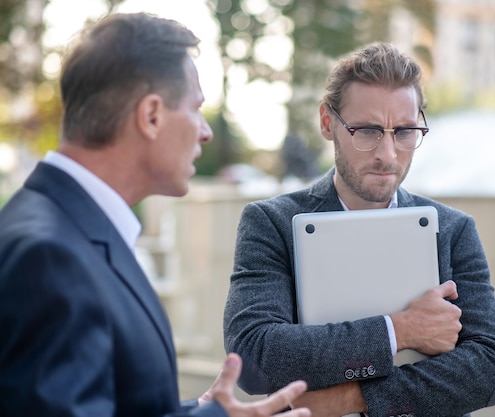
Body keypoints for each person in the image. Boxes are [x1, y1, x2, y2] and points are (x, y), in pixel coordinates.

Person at [0, 12, 311, 417]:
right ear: (151, 116)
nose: (206, 131)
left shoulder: (67, 231)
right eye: (196, 109)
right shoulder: (48, 257)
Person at [223, 43, 495, 417]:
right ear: (328, 124)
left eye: (405, 132)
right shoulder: (271, 223)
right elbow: (255, 357)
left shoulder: (453, 230)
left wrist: (353, 398)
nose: (388, 155)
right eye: (367, 131)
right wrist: (401, 330)